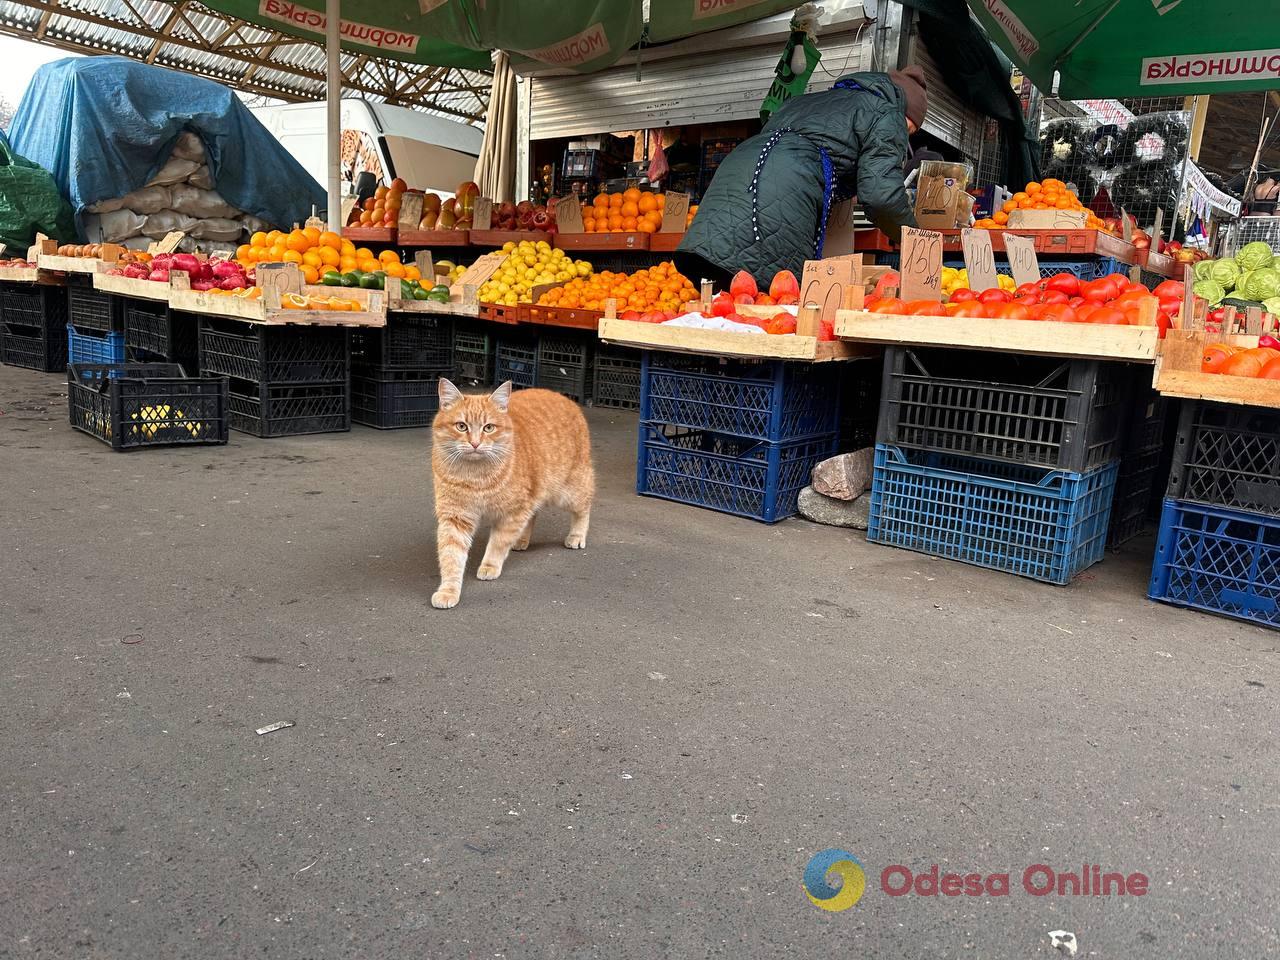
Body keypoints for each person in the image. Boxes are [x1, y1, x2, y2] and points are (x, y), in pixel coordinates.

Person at [677, 67, 927, 287]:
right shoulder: (887, 113)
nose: (906, 135)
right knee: (772, 305)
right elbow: (881, 195)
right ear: (902, 108)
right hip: (779, 192)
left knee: (722, 300)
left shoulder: (806, 101)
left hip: (733, 179)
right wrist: (917, 239)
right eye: (909, 128)